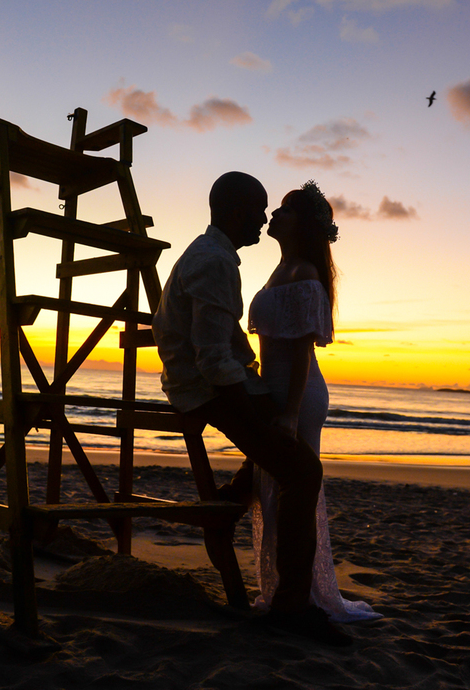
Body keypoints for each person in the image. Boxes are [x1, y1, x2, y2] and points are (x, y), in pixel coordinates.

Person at [150, 171, 353, 647]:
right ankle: (292, 607)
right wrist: (254, 409)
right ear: (238, 210)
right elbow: (213, 361)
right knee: (302, 471)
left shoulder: (216, 257)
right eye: (260, 210)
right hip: (207, 389)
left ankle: (224, 510)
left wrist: (265, 399)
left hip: (219, 382)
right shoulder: (215, 262)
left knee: (276, 457)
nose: (264, 220)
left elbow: (229, 343)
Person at [247, 181, 381, 623]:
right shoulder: (279, 271)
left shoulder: (305, 274)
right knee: (273, 492)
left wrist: (288, 412)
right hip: (274, 389)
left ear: (302, 225)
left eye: (285, 211)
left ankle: (302, 594)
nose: (274, 215)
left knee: (295, 493)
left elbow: (302, 352)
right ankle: (283, 589)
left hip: (299, 396)